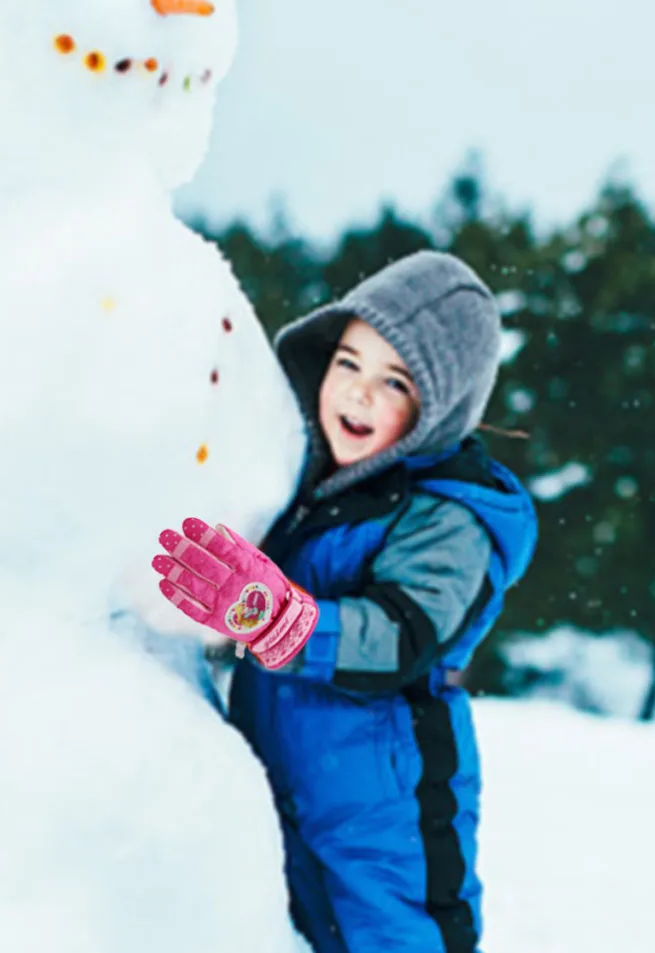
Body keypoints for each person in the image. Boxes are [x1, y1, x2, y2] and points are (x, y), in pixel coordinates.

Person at [151, 251, 538, 953]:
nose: (357, 394)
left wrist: (274, 619)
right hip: (289, 771)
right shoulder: (316, 488)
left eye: (394, 381)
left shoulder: (446, 514)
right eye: (348, 363)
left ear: (437, 407)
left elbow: (397, 636)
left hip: (388, 795)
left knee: (395, 935)